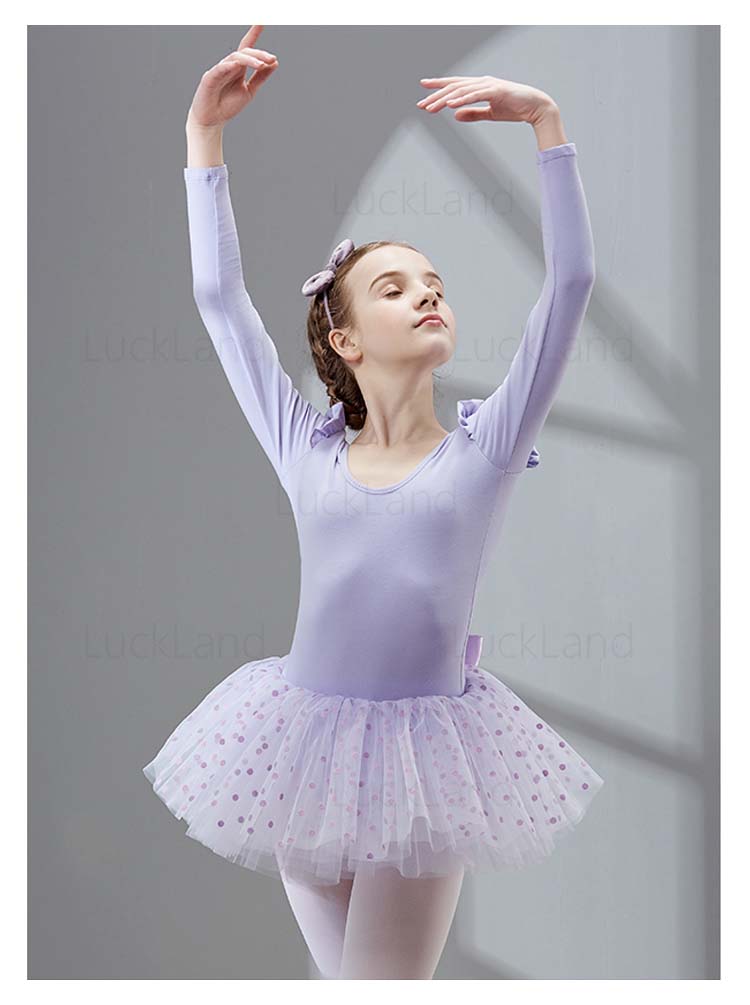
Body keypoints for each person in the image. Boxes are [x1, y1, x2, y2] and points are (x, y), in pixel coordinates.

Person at [143, 25, 604, 980]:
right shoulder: (305, 448)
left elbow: (570, 286)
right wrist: (203, 137)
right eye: (394, 289)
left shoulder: (485, 448)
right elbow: (221, 301)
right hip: (299, 751)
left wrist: (546, 127)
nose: (428, 296)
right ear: (346, 341)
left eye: (435, 285)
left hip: (425, 763)